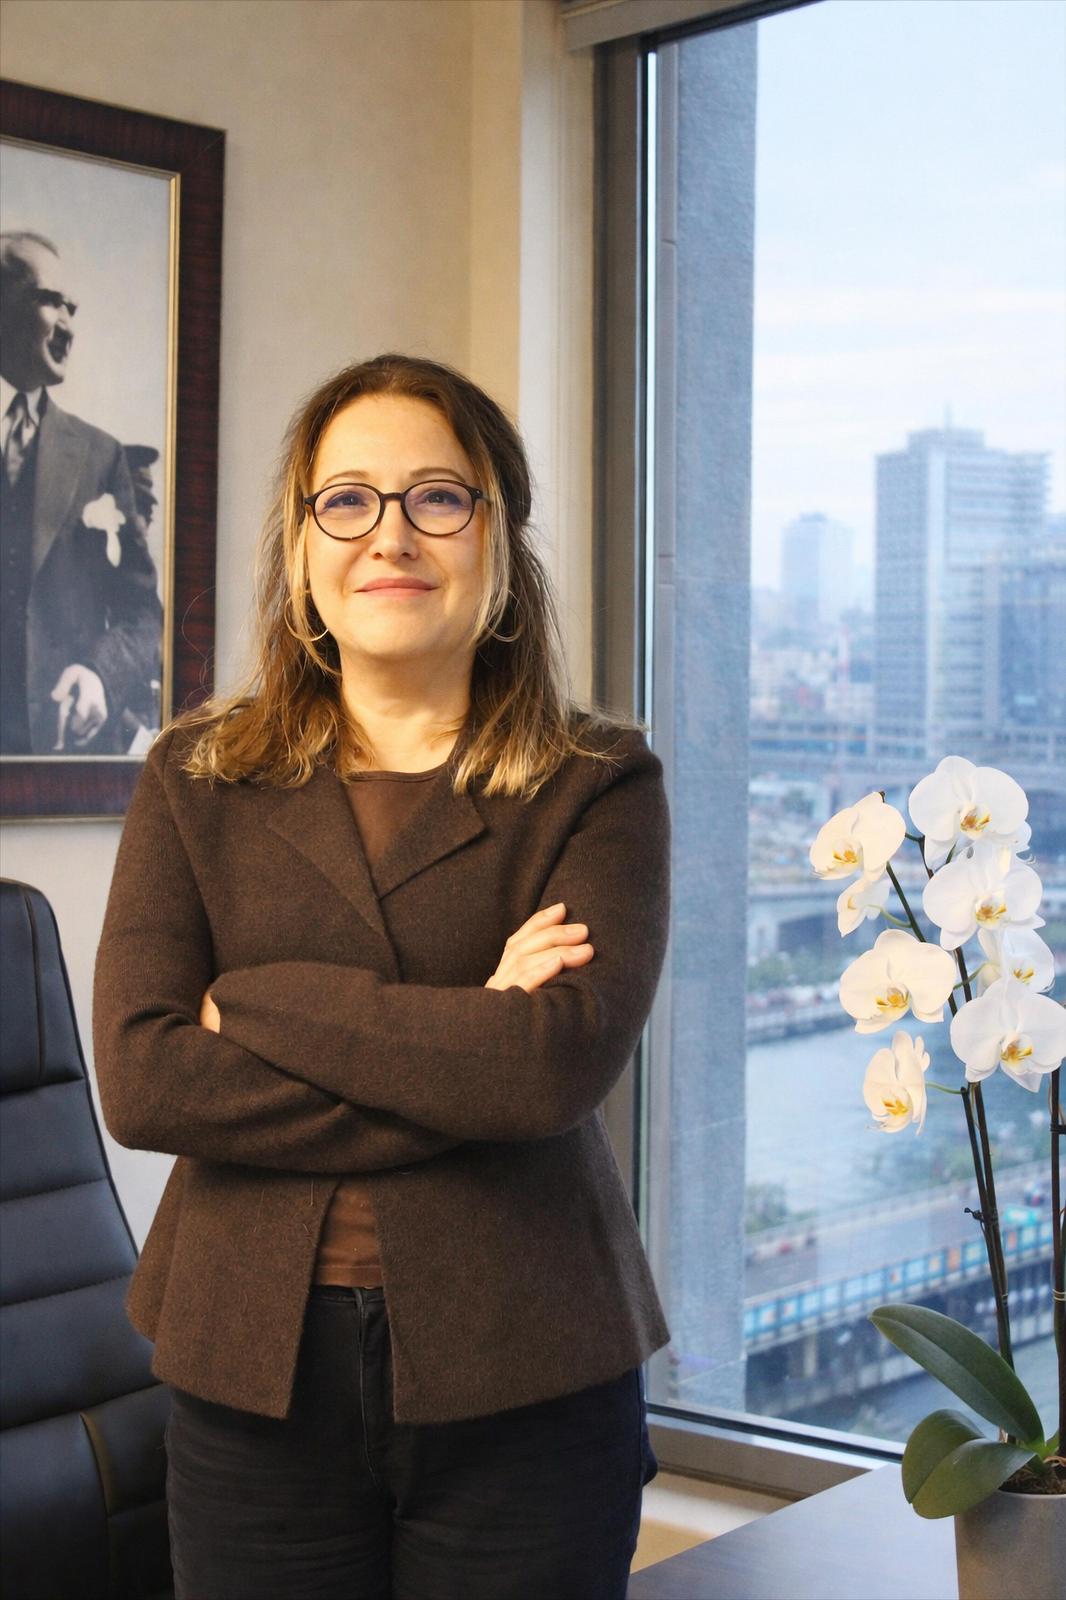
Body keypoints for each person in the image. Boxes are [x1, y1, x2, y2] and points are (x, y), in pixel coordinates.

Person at [92, 352, 672, 1600]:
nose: (389, 534)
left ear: (498, 537)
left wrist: (255, 1003)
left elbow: (544, 1073)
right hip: (247, 1363)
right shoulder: (193, 776)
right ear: (303, 546)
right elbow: (145, 1083)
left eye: (437, 497)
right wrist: (470, 1033)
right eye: (347, 499)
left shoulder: (598, 781)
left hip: (529, 1364)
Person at [0, 230, 161, 754]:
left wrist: (98, 674)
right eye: (51, 301)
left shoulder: (99, 456)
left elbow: (143, 614)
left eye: (72, 308)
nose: (68, 327)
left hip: (63, 755)